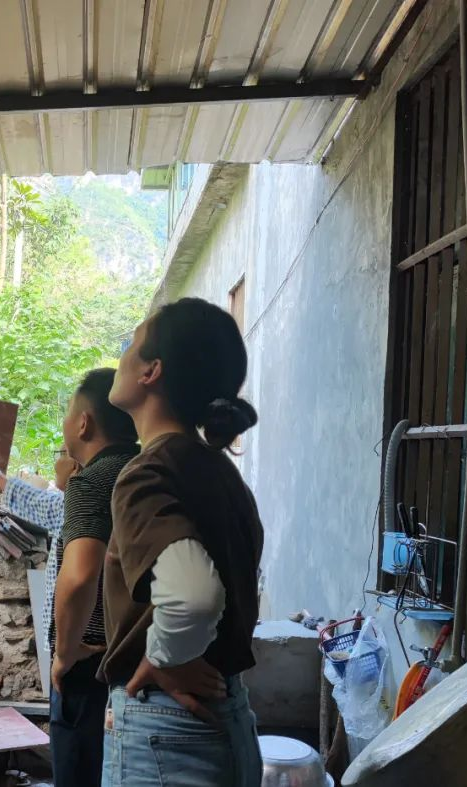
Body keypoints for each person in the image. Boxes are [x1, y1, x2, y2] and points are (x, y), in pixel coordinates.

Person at [99, 297, 265, 787]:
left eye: (130, 344)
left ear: (151, 371)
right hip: (227, 718)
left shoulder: (147, 473)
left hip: (168, 729)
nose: (121, 357)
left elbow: (194, 597)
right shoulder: (221, 473)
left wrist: (162, 659)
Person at [50, 368, 139, 787]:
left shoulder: (93, 481)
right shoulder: (146, 468)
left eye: (68, 412)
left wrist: (65, 652)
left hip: (92, 660)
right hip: (141, 658)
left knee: (79, 771)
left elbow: (80, 576)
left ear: (83, 423)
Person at [0, 444, 79, 653]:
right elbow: (33, 499)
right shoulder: (72, 503)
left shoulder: (72, 507)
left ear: (75, 466)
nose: (55, 464)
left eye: (60, 455)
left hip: (76, 642)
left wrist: (63, 653)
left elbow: (31, 500)